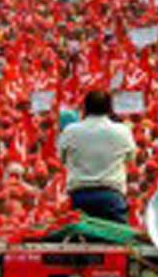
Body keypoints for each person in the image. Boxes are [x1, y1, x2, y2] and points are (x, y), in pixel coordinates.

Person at [56, 90, 137, 223]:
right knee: (118, 240)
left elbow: (62, 159)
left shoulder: (70, 131)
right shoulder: (122, 131)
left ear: (84, 108)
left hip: (79, 198)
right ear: (110, 109)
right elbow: (130, 160)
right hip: (111, 197)